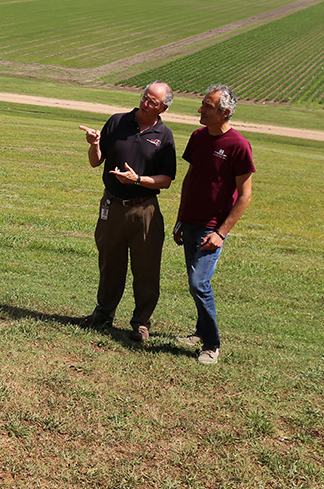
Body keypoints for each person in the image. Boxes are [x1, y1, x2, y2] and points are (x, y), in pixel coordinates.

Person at [78, 81, 179, 342]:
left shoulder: (164, 136)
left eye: (153, 102)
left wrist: (137, 180)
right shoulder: (117, 121)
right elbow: (95, 161)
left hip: (144, 210)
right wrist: (94, 143)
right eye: (145, 97)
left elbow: (166, 179)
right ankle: (103, 314)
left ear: (163, 108)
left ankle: (141, 323)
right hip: (112, 205)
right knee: (110, 262)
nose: (146, 103)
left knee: (146, 268)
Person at [173, 85, 255, 365]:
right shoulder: (197, 137)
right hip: (191, 221)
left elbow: (245, 196)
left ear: (226, 113)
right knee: (194, 282)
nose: (200, 110)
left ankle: (211, 344)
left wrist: (221, 233)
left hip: (212, 228)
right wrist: (180, 218)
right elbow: (190, 179)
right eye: (203, 104)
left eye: (207, 107)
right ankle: (200, 331)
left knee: (199, 283)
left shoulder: (238, 146)